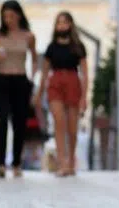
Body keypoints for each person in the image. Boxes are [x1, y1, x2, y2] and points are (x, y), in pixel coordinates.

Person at [0, 0, 38, 178]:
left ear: (19, 15)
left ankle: (16, 163)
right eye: (5, 16)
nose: (8, 20)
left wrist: (33, 76)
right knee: (1, 121)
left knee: (20, 122)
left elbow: (35, 58)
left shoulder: (28, 36)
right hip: (1, 80)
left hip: (21, 80)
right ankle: (0, 163)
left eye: (12, 16)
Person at [36, 11, 89, 177]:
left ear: (71, 25)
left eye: (65, 22)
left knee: (72, 127)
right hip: (55, 83)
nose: (62, 26)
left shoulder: (78, 47)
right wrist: (39, 94)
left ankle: (71, 161)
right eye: (59, 23)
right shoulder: (51, 48)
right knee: (59, 122)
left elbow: (85, 73)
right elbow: (44, 73)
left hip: (73, 81)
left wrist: (84, 97)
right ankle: (62, 163)